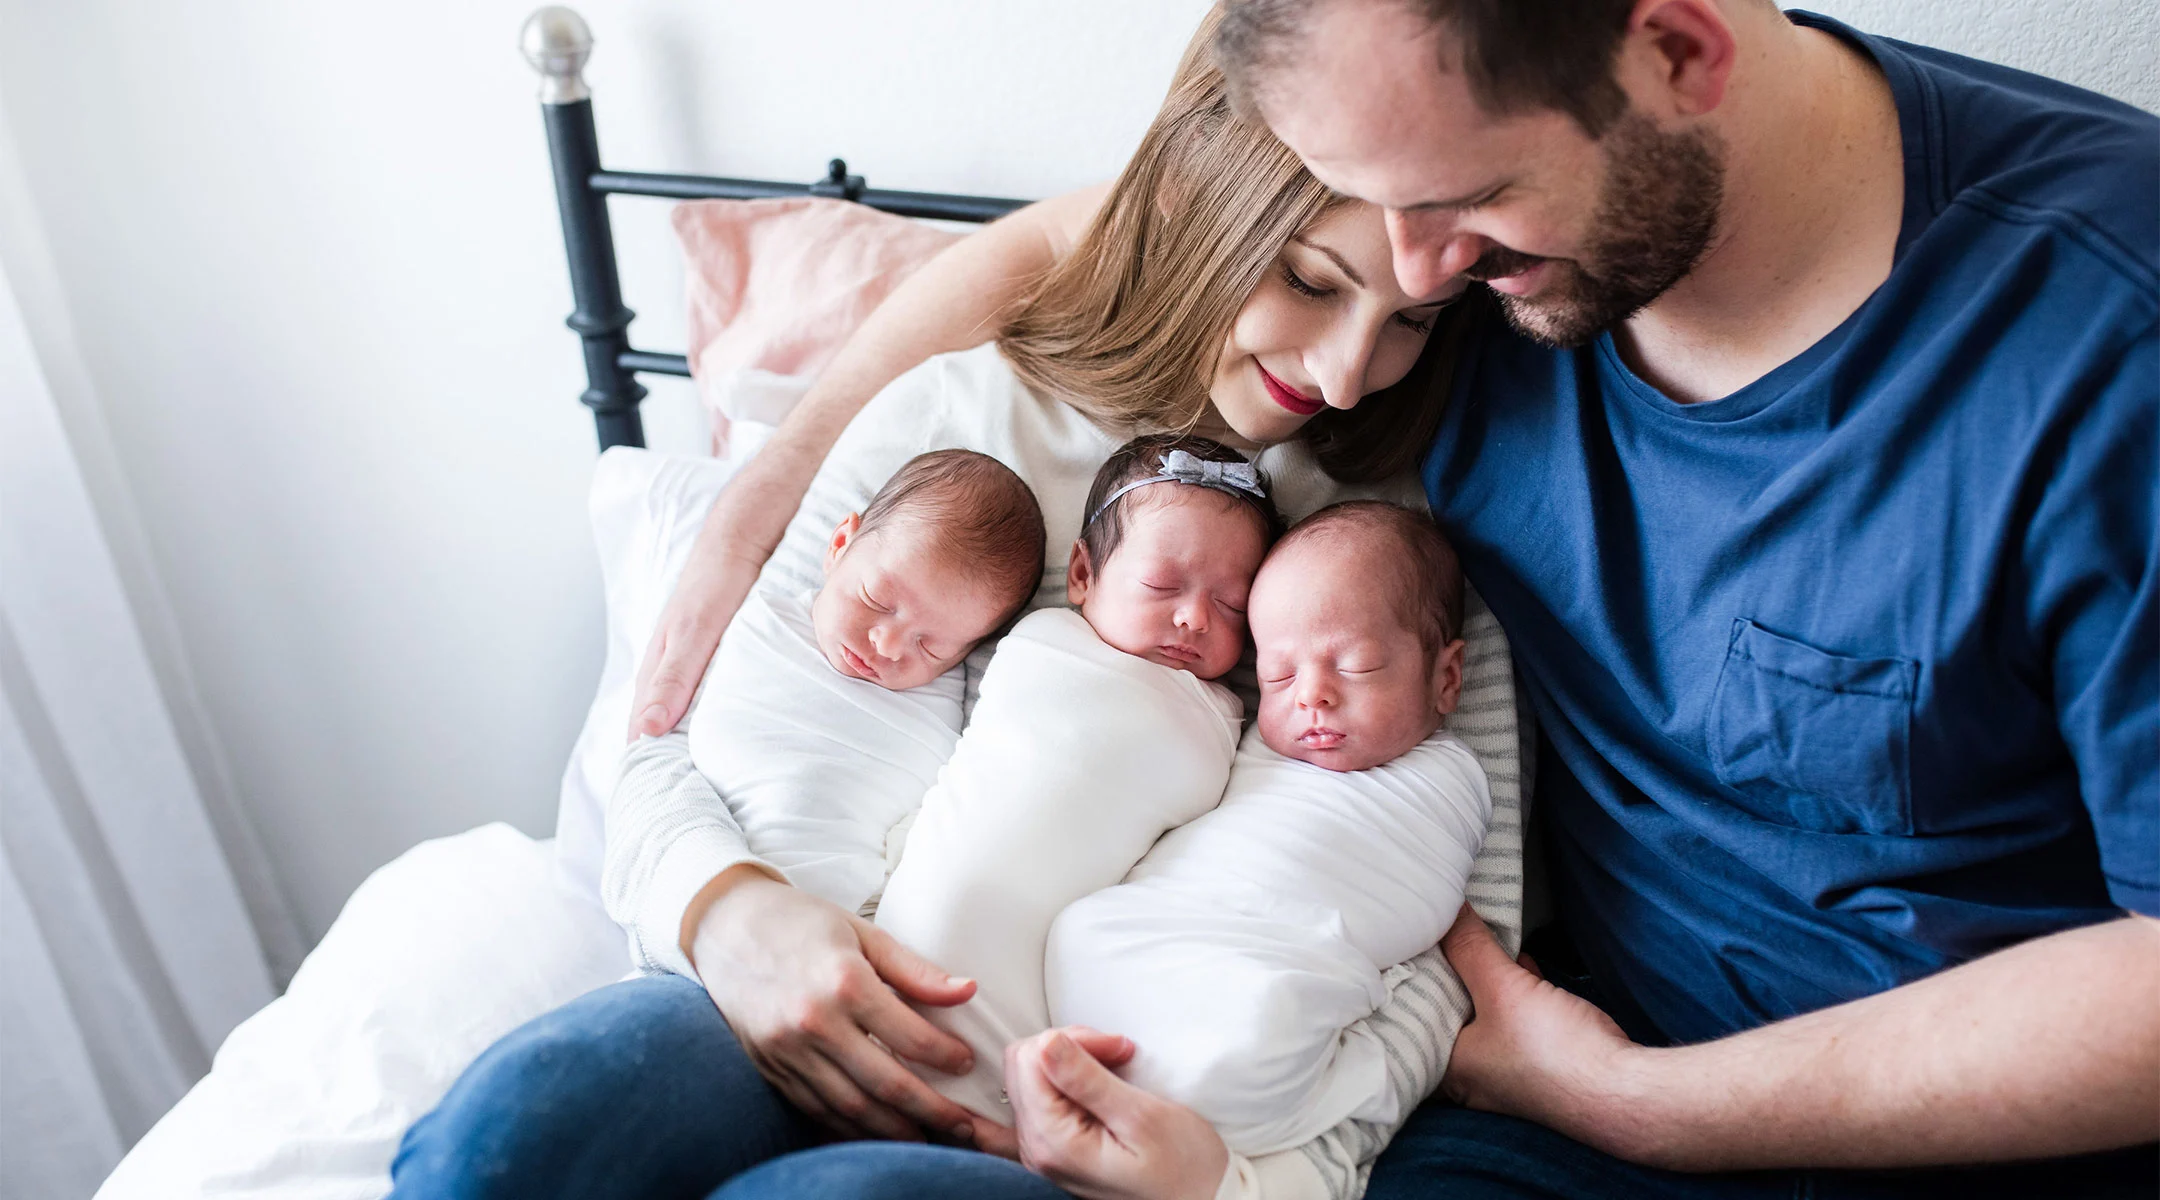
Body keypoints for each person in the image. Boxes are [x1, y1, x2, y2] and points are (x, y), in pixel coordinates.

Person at [391, 10, 1532, 1199]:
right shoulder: (947, 424)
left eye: (1408, 321)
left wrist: (1256, 1183)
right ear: (1201, 203)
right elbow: (667, 740)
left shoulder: (1390, 552)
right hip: (762, 992)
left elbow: (1460, 955)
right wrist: (729, 918)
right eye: (1308, 279)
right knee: (509, 1142)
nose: (1346, 372)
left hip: (1085, 1119)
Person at [1199, 0, 2156, 1196]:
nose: (1415, 271)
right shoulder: (1467, 249)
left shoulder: (2112, 332)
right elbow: (1110, 243)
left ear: (1679, 52)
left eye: (1467, 194)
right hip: (1533, 1095)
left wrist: (1633, 1105)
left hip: (1954, 1147)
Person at [1047, 501, 1491, 1156]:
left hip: (1279, 963)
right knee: (1078, 930)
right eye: (1278, 674)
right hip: (1173, 920)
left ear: (1446, 677)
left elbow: (1450, 909)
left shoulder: (1456, 777)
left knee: (1265, 1021)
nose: (1310, 694)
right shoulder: (1254, 746)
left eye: (1355, 665)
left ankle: (1234, 1116)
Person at [875, 434, 1278, 1119]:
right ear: (1084, 575)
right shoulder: (1036, 641)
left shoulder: (1219, 722)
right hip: (904, 935)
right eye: (1161, 585)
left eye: (1233, 605)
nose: (1194, 617)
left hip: (1039, 994)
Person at [684, 448, 1045, 920]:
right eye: (876, 598)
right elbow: (673, 744)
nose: (888, 644)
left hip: (847, 917)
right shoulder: (764, 627)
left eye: (931, 646)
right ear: (839, 545)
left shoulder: (947, 704)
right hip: (706, 884)